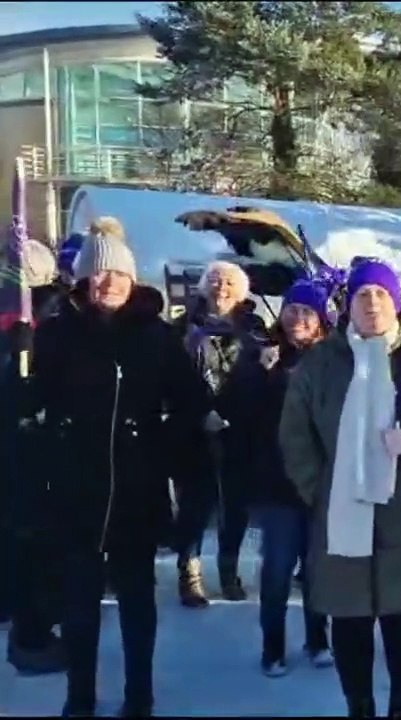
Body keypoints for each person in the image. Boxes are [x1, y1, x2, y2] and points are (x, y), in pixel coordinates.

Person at [279, 259, 401, 718]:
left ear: (397, 303)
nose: (372, 304)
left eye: (381, 295)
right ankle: (360, 707)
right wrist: (319, 489)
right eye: (362, 296)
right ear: (348, 305)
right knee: (348, 619)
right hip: (341, 511)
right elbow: (295, 436)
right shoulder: (322, 362)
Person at [31, 227, 213, 717]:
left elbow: (194, 401)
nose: (107, 281)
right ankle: (80, 694)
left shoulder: (156, 336)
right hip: (77, 487)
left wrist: (159, 441)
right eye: (97, 272)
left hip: (137, 490)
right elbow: (33, 402)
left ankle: (139, 694)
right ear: (83, 279)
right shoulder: (55, 333)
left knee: (136, 602)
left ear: (132, 279)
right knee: (80, 604)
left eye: (117, 273)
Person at [173, 260, 269, 606]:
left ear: (241, 291)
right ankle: (190, 574)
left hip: (241, 430)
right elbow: (174, 379)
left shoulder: (255, 330)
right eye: (214, 280)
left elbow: (263, 380)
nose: (221, 288)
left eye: (229, 282)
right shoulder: (184, 326)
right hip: (194, 431)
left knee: (235, 507)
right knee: (194, 507)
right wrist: (200, 413)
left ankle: (228, 570)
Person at [251, 280, 333, 676]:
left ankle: (318, 637)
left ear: (321, 320)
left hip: (321, 484)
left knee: (318, 569)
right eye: (292, 309)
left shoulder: (333, 360)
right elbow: (243, 415)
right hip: (276, 484)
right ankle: (273, 646)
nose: (297, 318)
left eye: (307, 312)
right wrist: (261, 377)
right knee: (278, 570)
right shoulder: (265, 357)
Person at [1, 238, 68, 675]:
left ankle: (34, 630)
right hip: (13, 454)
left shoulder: (55, 320)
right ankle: (25, 626)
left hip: (43, 455)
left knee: (35, 545)